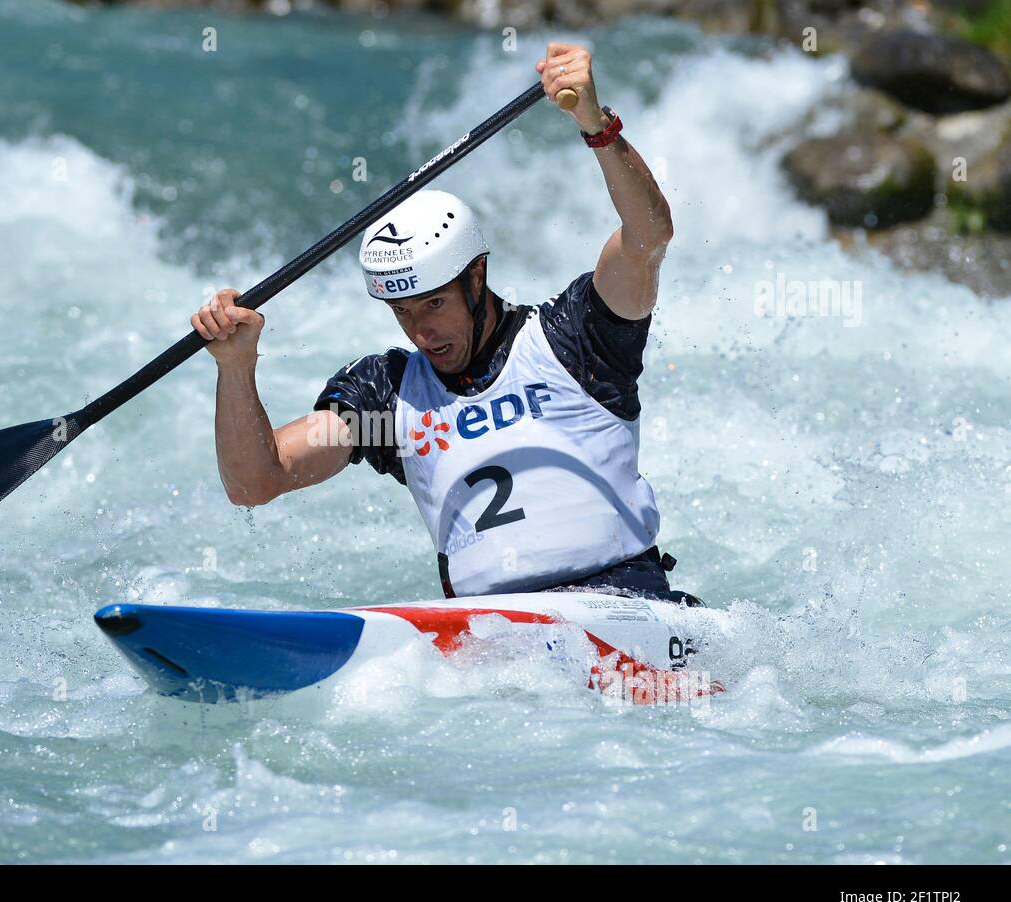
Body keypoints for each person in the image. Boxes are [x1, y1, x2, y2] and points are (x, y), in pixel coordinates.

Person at [190, 42, 699, 605]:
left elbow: (648, 237)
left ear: (476, 278)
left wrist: (594, 126)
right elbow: (256, 482)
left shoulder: (576, 341)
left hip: (626, 606)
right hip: (487, 640)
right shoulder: (386, 397)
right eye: (402, 313)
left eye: (433, 305)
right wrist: (236, 367)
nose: (420, 333)